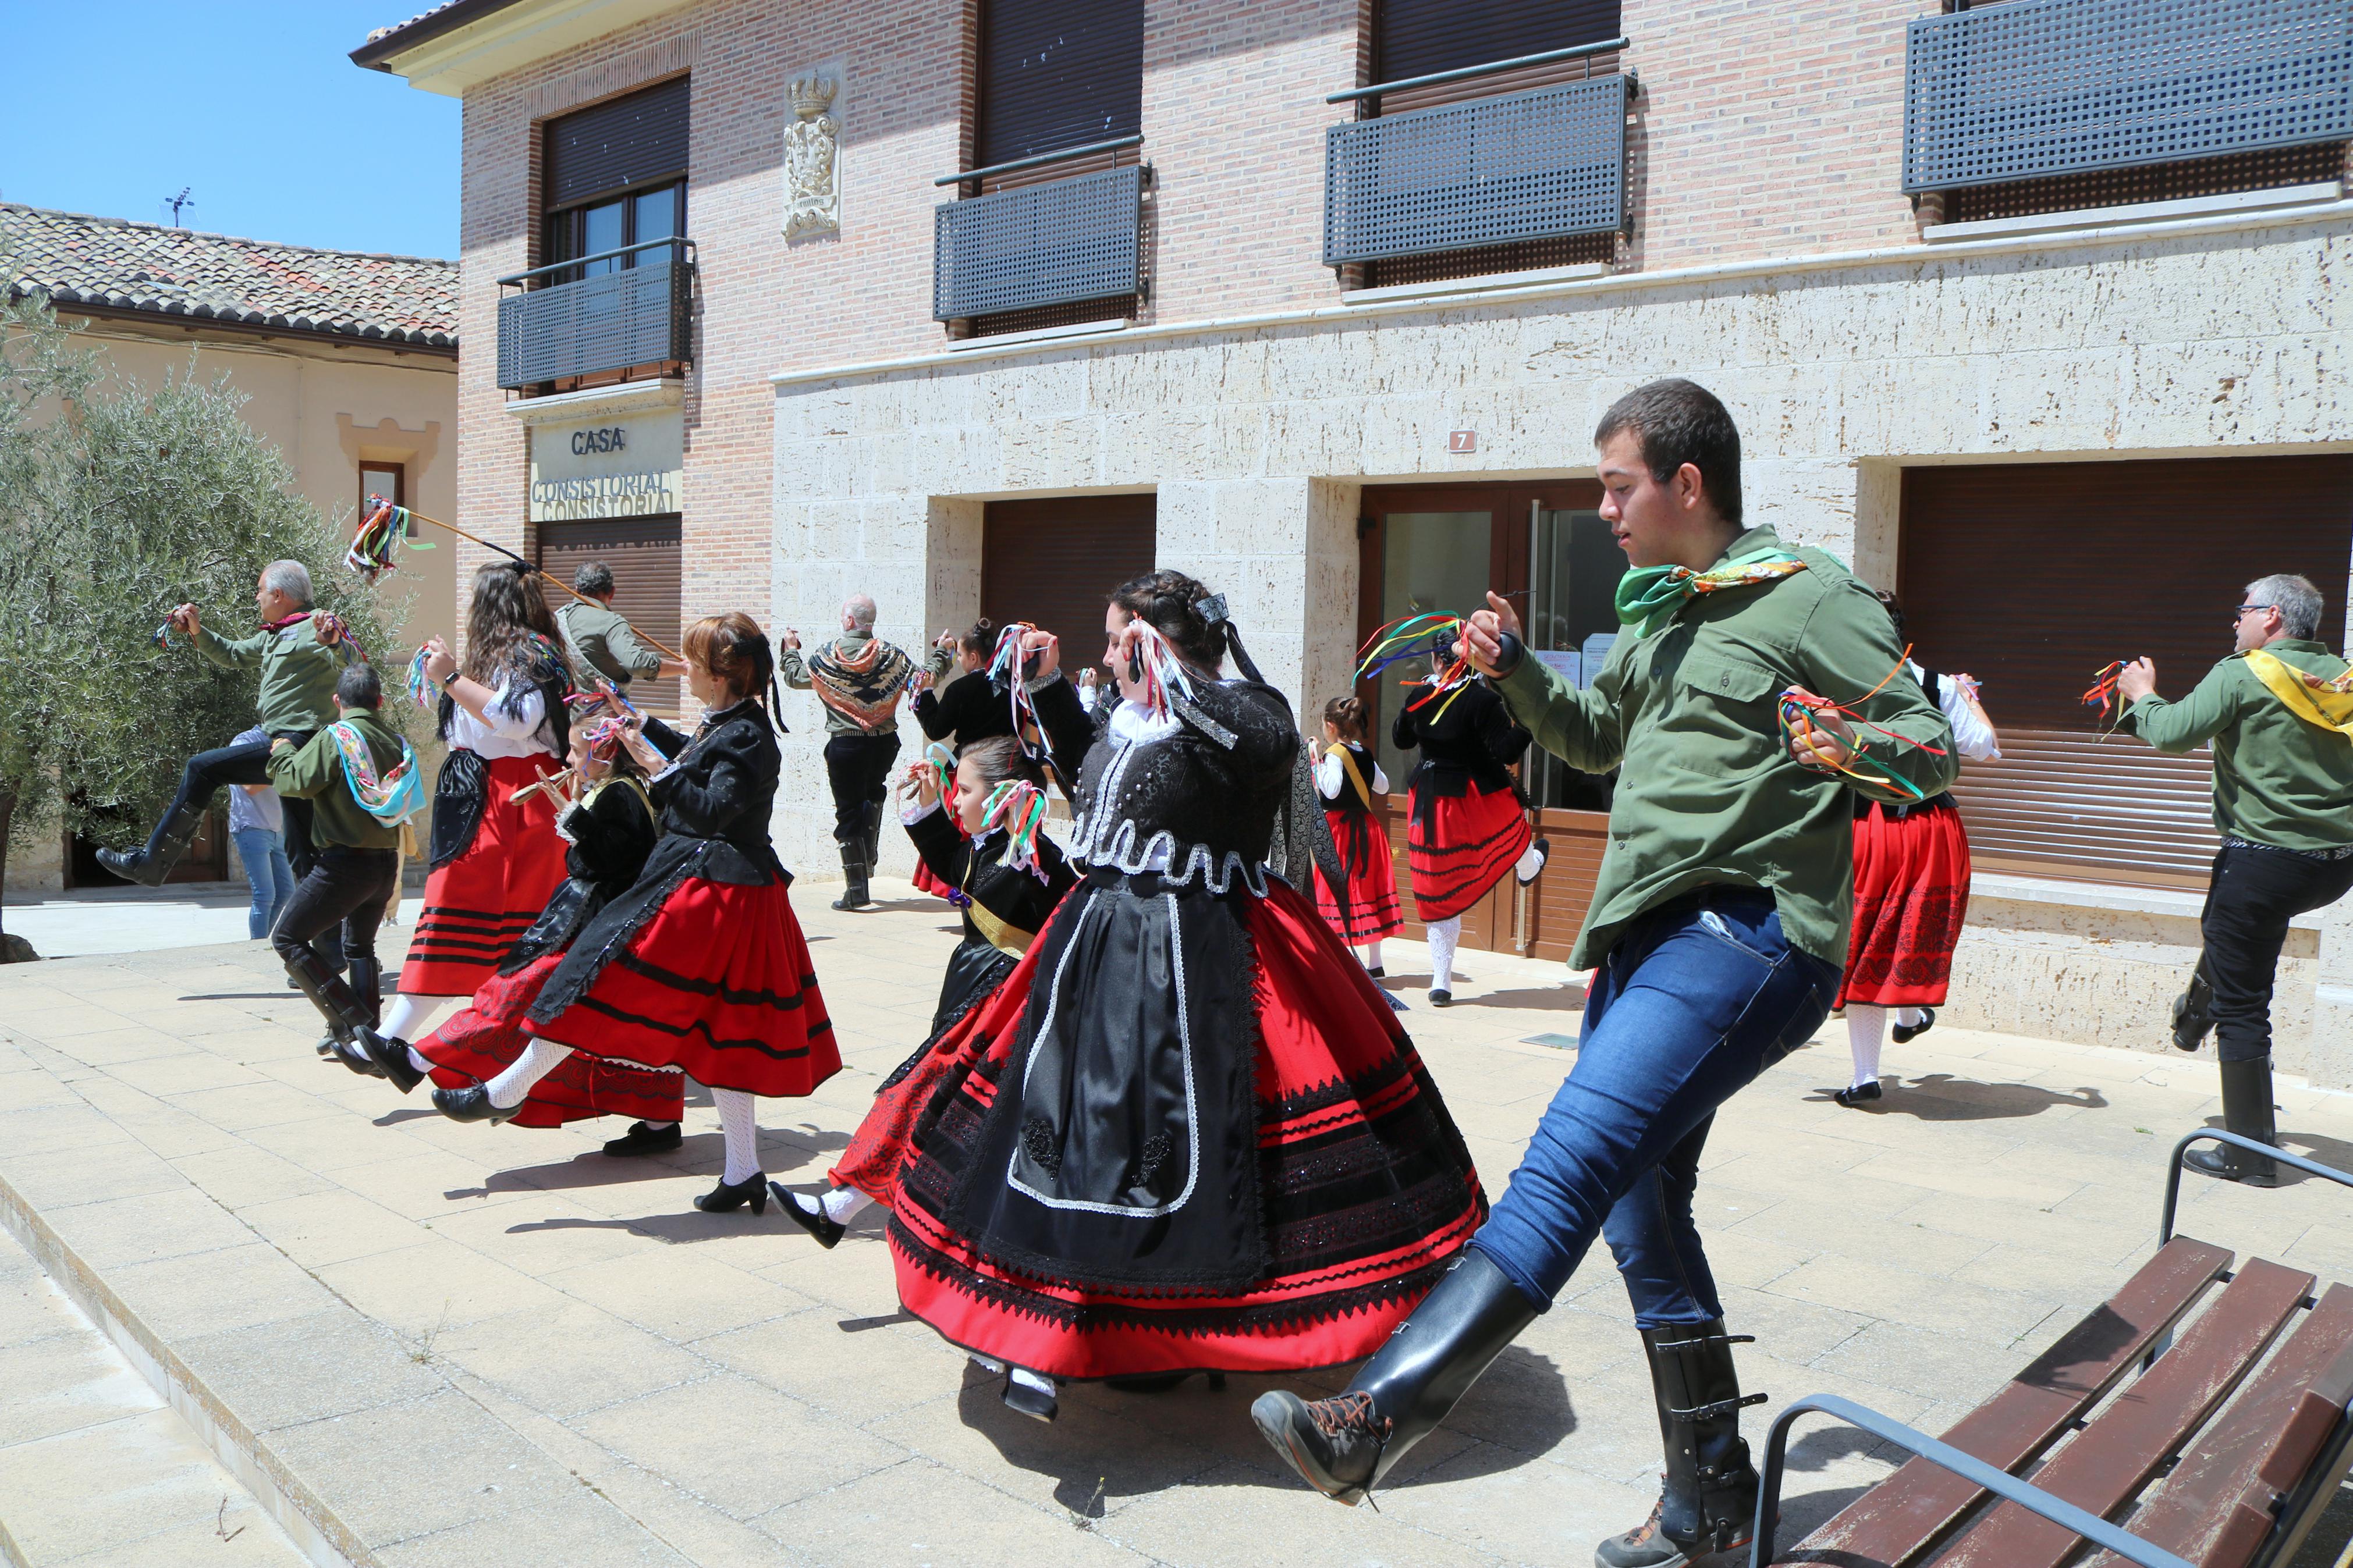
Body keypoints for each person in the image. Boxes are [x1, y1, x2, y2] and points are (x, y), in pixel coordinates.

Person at [1250, 379, 1954, 1568]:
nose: (1602, 510)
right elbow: (1587, 738)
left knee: (1571, 1159)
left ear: (1686, 484)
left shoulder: (1809, 599)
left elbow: (1926, 752)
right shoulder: (1663, 612)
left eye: (1615, 486)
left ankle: (1378, 1415)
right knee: (1638, 1208)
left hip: (1745, 937)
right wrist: (1516, 669)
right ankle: (1709, 1505)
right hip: (1638, 940)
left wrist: (1852, 744)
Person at [876, 570, 1485, 1424]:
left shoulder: (1246, 707)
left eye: (1120, 637)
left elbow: (1264, 746)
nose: (1109, 654)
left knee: (1193, 1134)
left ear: (1156, 641)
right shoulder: (1135, 717)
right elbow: (1093, 768)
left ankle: (1168, 1332)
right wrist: (1050, 687)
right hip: (1103, 941)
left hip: (1208, 949)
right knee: (1068, 1125)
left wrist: (1175, 681)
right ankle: (1052, 1325)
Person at [435, 614, 840, 1220]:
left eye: (696, 666)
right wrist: (642, 726)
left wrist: (651, 761)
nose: (689, 674)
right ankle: (743, 1171)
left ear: (722, 675)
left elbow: (708, 808)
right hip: (713, 889)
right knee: (719, 1036)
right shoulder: (732, 723)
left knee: (596, 979)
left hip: (719, 896)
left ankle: (507, 1090)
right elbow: (701, 760)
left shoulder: (752, 735)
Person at [777, 733, 1081, 1248]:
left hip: (1003, 1009)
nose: (955, 798)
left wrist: (1034, 850)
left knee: (924, 1100)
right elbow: (955, 864)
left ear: (1002, 795)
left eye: (963, 790)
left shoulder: (1034, 856)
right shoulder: (990, 847)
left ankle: (843, 1206)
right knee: (951, 1114)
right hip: (974, 993)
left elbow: (1066, 909)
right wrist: (925, 808)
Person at [342, 718, 684, 1151]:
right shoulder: (610, 790)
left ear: (603, 754)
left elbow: (619, 859)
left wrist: (574, 814)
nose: (567, 759)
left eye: (577, 752)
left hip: (596, 928)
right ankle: (659, 1122)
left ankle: (415, 1058)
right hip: (588, 923)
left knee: (513, 993)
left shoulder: (623, 794)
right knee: (613, 1027)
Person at [2120, 573, 2353, 1187]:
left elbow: (2170, 733)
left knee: (2244, 1001)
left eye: (2240, 609)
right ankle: (2192, 1016)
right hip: (2332, 865)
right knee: (2231, 936)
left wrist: (2141, 693)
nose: (2233, 621)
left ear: (2271, 617)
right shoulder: (2341, 677)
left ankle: (2248, 1155)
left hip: (2260, 862)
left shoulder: (2241, 671)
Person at [372, 563, 576, 1057]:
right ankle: (392, 1038)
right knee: (458, 917)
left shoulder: (532, 654)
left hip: (518, 800)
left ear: (489, 605)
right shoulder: (503, 657)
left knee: (464, 912)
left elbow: (516, 721)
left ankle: (402, 1041)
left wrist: (450, 676)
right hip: (481, 794)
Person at [1832, 590, 2002, 1107]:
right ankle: (1907, 1017)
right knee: (1896, 936)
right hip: (1927, 826)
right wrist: (1969, 698)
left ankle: (1867, 1074)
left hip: (1865, 825)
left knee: (1864, 942)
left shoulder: (1830, 687)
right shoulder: (1940, 685)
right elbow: (1986, 747)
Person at [100, 561, 356, 886]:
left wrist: (334, 640)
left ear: (278, 594)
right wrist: (196, 628)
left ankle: (152, 863)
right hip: (283, 746)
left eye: (260, 591)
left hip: (300, 743)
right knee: (302, 850)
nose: (256, 597)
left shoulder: (317, 626)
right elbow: (233, 654)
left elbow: (354, 663)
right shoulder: (277, 634)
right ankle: (325, 937)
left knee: (203, 768)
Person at [264, 663, 421, 1051]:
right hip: (385, 864)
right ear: (379, 701)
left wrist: (282, 752)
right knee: (359, 948)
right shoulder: (396, 740)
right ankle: (365, 1037)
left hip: (344, 866)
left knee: (287, 937)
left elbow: (297, 782)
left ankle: (350, 1020)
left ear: (337, 701)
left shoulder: (337, 736)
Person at [1394, 645, 1548, 1005]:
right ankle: (1527, 866)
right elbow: (1507, 751)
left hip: (1429, 800)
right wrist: (1530, 723)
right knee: (1511, 823)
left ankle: (1441, 982)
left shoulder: (1420, 695)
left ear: (1436, 661)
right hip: (1471, 797)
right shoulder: (1481, 699)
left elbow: (1401, 739)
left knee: (1439, 887)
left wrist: (1412, 704)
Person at [780, 594, 950, 911]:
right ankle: (867, 857)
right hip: (883, 743)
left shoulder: (827, 656)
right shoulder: (891, 655)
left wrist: (790, 650)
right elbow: (922, 680)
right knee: (872, 795)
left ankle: (857, 889)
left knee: (847, 811)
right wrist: (941, 652)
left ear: (848, 621)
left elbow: (796, 677)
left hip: (846, 744)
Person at [1310, 696, 1402, 975]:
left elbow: (1332, 790)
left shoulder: (1335, 754)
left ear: (1330, 726)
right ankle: (1376, 964)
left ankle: (1335, 960)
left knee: (1335, 890)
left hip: (1341, 831)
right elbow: (1384, 786)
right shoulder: (1364, 752)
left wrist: (1316, 760)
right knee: (1368, 888)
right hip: (1368, 828)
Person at [553, 561, 688, 692]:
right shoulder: (612, 622)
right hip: (602, 712)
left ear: (576, 590)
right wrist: (683, 668)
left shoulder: (555, 618)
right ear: (612, 592)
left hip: (558, 712)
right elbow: (637, 664)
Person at [227, 724, 295, 943]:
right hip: (250, 827)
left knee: (286, 892)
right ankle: (257, 948)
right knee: (265, 895)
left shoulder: (285, 740)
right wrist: (282, 766)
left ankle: (264, 940)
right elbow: (249, 786)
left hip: (275, 828)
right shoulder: (245, 741)